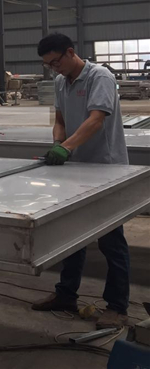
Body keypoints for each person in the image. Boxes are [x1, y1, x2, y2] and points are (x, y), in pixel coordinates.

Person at [31, 33, 130, 329]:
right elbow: (60, 120)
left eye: (55, 62)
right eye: (48, 65)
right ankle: (66, 294)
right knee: (71, 237)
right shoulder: (61, 82)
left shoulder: (100, 77)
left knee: (111, 241)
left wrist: (66, 148)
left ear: (70, 52)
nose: (54, 69)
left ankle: (117, 306)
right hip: (75, 169)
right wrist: (57, 144)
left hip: (105, 168)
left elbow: (96, 119)